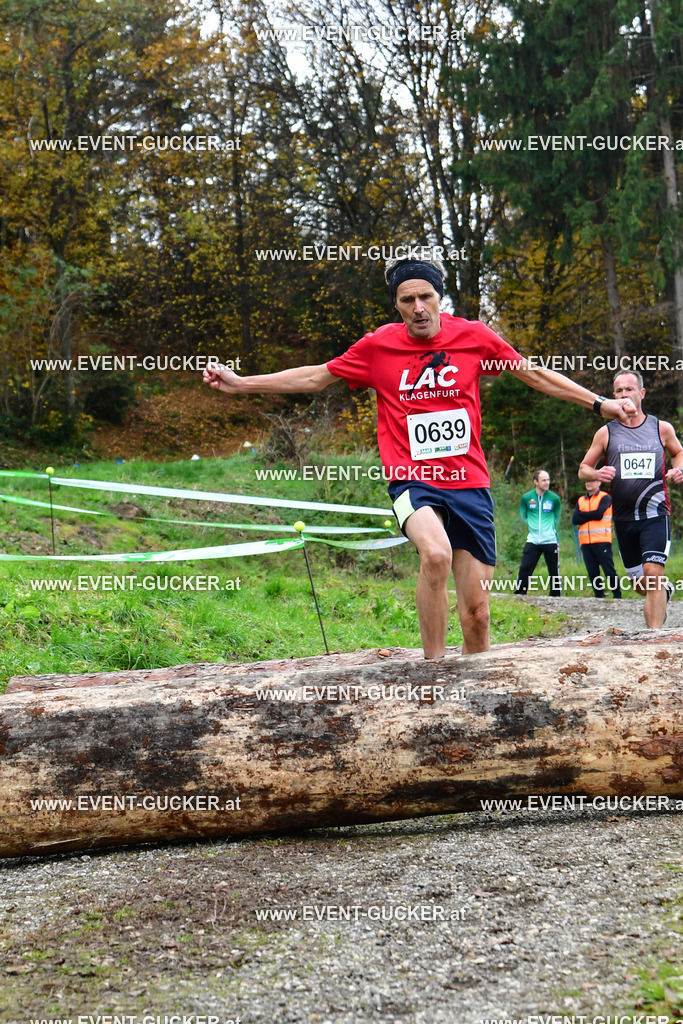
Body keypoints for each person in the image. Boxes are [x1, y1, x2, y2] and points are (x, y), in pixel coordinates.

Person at [204, 252, 636, 658]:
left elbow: (534, 375)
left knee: (478, 617)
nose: (418, 307)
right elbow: (315, 377)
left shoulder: (473, 337)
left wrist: (601, 404)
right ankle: (431, 676)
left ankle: (474, 696)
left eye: (425, 296)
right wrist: (241, 383)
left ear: (438, 298)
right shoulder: (377, 347)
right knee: (435, 554)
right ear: (397, 304)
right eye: (407, 300)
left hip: (470, 482)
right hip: (412, 478)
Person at [578, 370, 683, 627]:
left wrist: (679, 468)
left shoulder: (661, 428)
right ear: (613, 396)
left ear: (641, 393)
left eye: (629, 389)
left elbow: (678, 452)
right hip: (624, 518)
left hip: (656, 514)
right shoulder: (606, 433)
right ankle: (664, 593)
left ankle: (652, 639)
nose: (624, 394)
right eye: (619, 391)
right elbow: (583, 469)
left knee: (653, 573)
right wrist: (596, 472)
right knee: (640, 584)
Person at [571, 479, 621, 599]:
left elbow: (598, 514)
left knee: (608, 570)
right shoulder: (581, 500)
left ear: (599, 483)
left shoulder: (605, 498)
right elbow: (575, 519)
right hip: (585, 542)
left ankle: (617, 596)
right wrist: (591, 515)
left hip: (602, 540)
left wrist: (583, 515)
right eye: (588, 481)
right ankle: (599, 596)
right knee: (592, 572)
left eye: (592, 481)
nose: (589, 483)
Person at [515, 470, 562, 596]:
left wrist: (549, 529)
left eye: (548, 480)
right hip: (533, 540)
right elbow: (524, 516)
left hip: (550, 540)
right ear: (535, 482)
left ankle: (556, 595)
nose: (547, 483)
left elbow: (557, 517)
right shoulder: (526, 498)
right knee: (525, 567)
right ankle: (519, 593)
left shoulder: (554, 499)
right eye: (544, 480)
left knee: (553, 570)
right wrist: (533, 526)